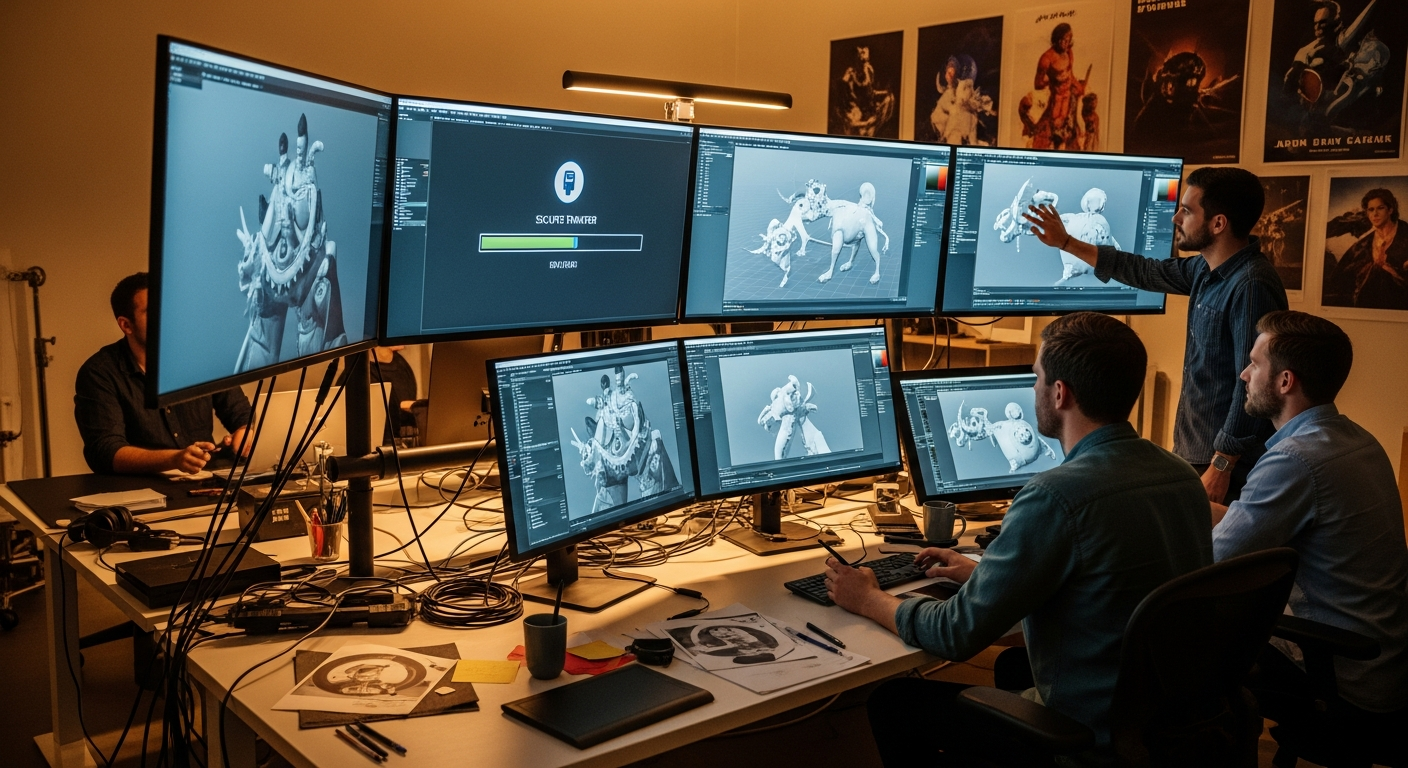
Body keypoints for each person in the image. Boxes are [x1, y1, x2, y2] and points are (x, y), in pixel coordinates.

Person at [826, 313, 1212, 765]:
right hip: (1166, 723)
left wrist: (867, 598)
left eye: (1036, 378)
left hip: (1090, 733)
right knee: (1012, 666)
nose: (1033, 390)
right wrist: (985, 573)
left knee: (895, 701)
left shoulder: (1054, 496)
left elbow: (955, 634)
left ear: (1060, 393)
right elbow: (1110, 581)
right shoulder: (1181, 477)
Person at [1024, 166, 1288, 504]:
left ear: (1218, 223)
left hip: (1225, 466)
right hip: (1198, 451)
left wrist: (1222, 465)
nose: (1177, 218)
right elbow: (1145, 271)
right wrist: (1066, 243)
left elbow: (1252, 384)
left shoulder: (1251, 285)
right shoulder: (1207, 271)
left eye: (1188, 211)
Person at [1211, 310, 1408, 740]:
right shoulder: (1357, 440)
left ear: (1285, 382)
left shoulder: (1295, 460)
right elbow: (1250, 526)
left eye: (1255, 364)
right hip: (1386, 665)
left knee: (1180, 645)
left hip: (1341, 678)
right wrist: (1192, 505)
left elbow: (1215, 559)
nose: (1244, 374)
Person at [74, 273, 252, 474]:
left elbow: (240, 412)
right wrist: (174, 459)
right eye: (153, 311)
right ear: (126, 325)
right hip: (139, 492)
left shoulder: (201, 355)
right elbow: (105, 451)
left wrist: (244, 432)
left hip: (204, 482)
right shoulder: (99, 373)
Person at [1323, 187, 1408, 310]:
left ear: (1390, 209)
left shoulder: (1405, 234)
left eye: (1380, 208)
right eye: (1371, 210)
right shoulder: (1361, 245)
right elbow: (1340, 279)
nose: (1375, 214)